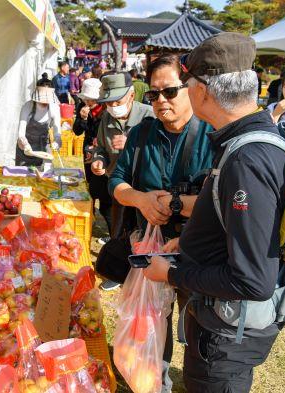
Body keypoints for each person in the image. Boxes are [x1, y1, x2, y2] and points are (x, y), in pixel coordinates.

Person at [144, 32, 285, 392]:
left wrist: (172, 275)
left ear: (203, 91)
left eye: (185, 84)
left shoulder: (247, 159)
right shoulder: (249, 142)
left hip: (227, 333)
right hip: (224, 325)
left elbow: (252, 281)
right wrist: (192, 243)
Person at [110, 53, 214, 393]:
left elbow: (223, 199)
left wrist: (173, 204)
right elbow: (117, 183)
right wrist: (140, 199)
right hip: (149, 247)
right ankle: (155, 377)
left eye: (169, 91)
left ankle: (198, 377)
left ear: (191, 89)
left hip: (197, 252)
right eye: (153, 95)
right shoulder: (142, 134)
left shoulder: (211, 136)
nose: (160, 101)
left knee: (198, 322)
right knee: (153, 319)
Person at [91, 72, 154, 290]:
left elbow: (161, 152)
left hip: (145, 189)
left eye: (117, 101)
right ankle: (117, 273)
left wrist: (132, 143)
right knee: (118, 232)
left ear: (131, 95)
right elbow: (100, 147)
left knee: (143, 234)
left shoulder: (150, 116)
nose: (113, 106)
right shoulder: (107, 119)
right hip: (118, 187)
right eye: (108, 102)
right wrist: (98, 160)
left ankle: (144, 275)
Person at [73, 78, 112, 234]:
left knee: (104, 193)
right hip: (88, 154)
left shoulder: (106, 110)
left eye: (91, 99)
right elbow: (76, 131)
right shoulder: (83, 108)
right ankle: (91, 219)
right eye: (86, 99)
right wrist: (82, 119)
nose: (88, 102)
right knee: (90, 186)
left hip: (103, 154)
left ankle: (111, 228)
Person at [15, 85, 61, 167]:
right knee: (23, 175)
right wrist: (24, 143)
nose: (45, 103)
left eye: (47, 101)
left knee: (45, 175)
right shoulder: (27, 106)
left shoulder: (54, 108)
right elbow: (21, 133)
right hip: (26, 146)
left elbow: (57, 131)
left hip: (43, 146)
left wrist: (57, 140)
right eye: (42, 101)